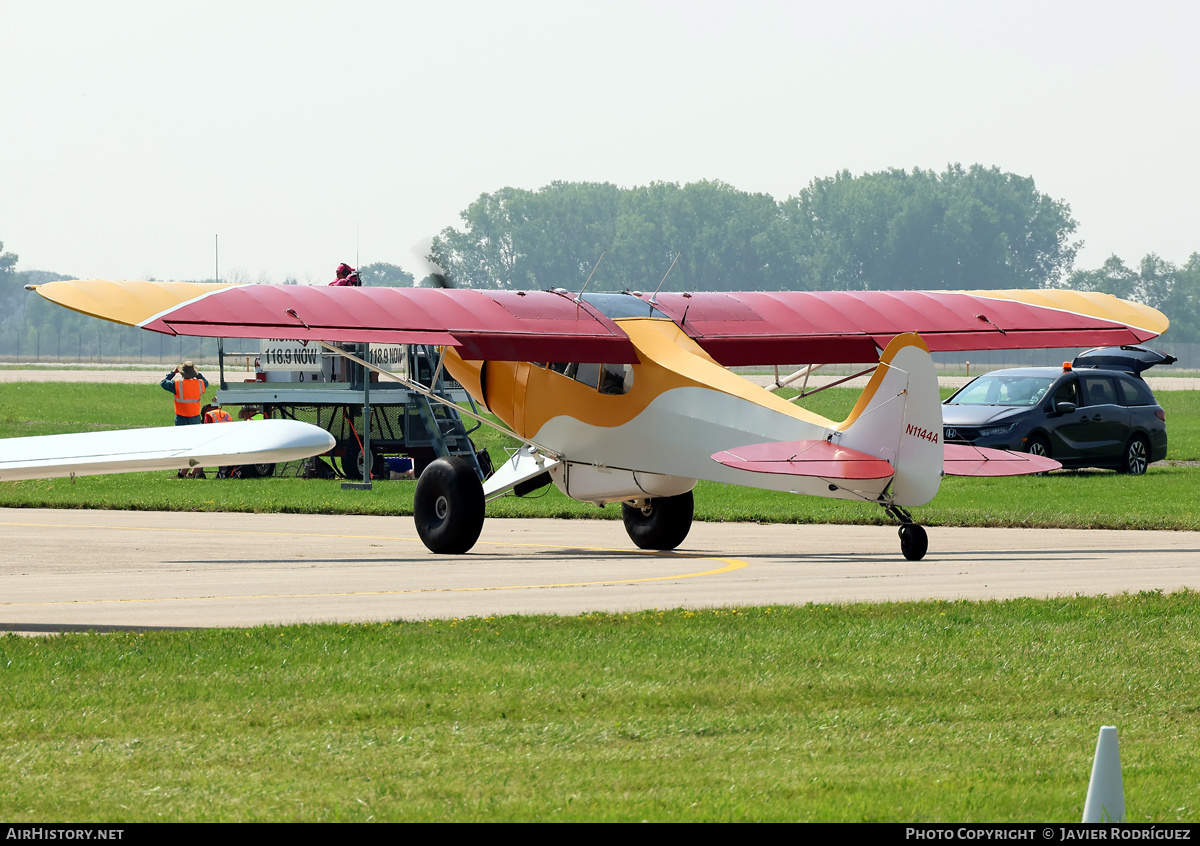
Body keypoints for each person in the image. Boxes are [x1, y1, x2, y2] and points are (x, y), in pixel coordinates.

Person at [161, 361, 209, 478]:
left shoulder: (178, 384)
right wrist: (198, 375)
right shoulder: (200, 384)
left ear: (182, 373)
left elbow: (163, 383)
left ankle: (182, 473)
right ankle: (194, 472)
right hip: (195, 419)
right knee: (194, 446)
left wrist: (173, 372)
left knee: (182, 447)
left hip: (182, 419)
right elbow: (206, 382)